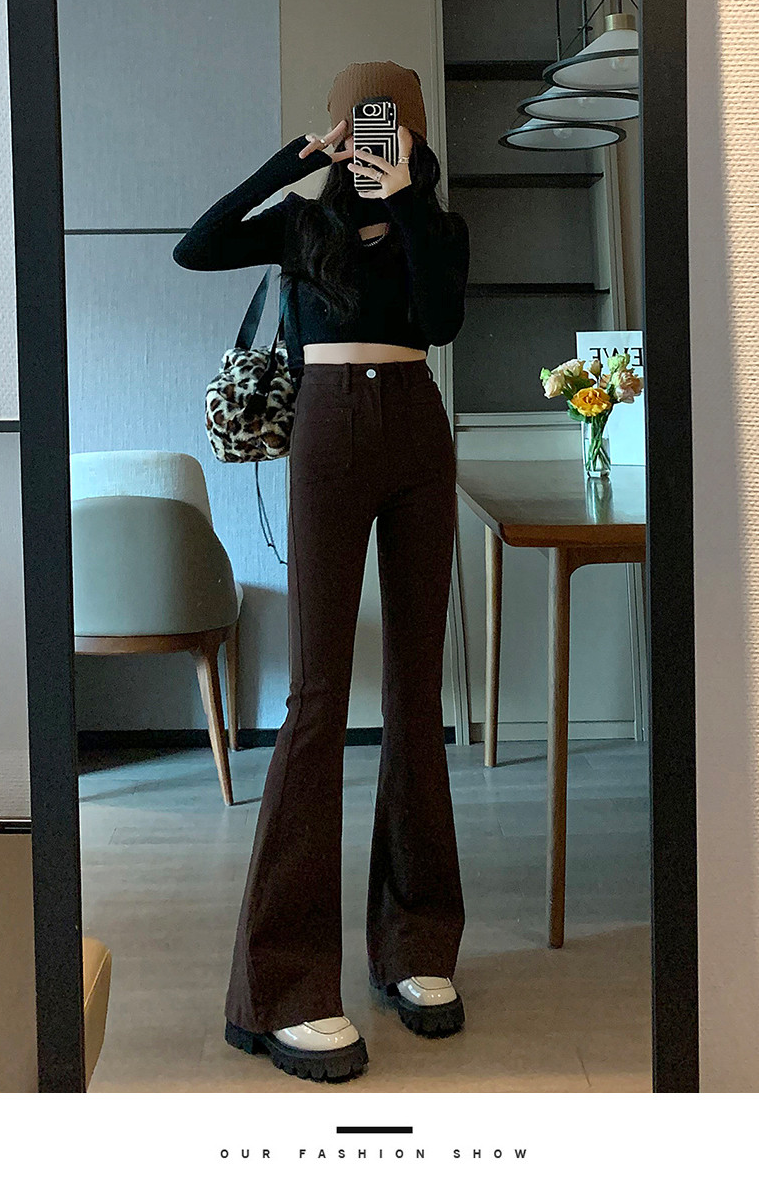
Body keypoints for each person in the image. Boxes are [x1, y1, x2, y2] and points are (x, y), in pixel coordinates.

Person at [172, 61, 470, 1084]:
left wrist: (408, 202)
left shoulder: (438, 228)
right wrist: (287, 162)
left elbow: (441, 320)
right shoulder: (302, 225)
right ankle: (284, 988)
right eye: (358, 126)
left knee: (416, 692)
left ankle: (416, 944)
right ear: (338, 132)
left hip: (419, 431)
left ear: (415, 137)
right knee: (316, 698)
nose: (373, 141)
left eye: (392, 127)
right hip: (328, 431)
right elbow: (196, 246)